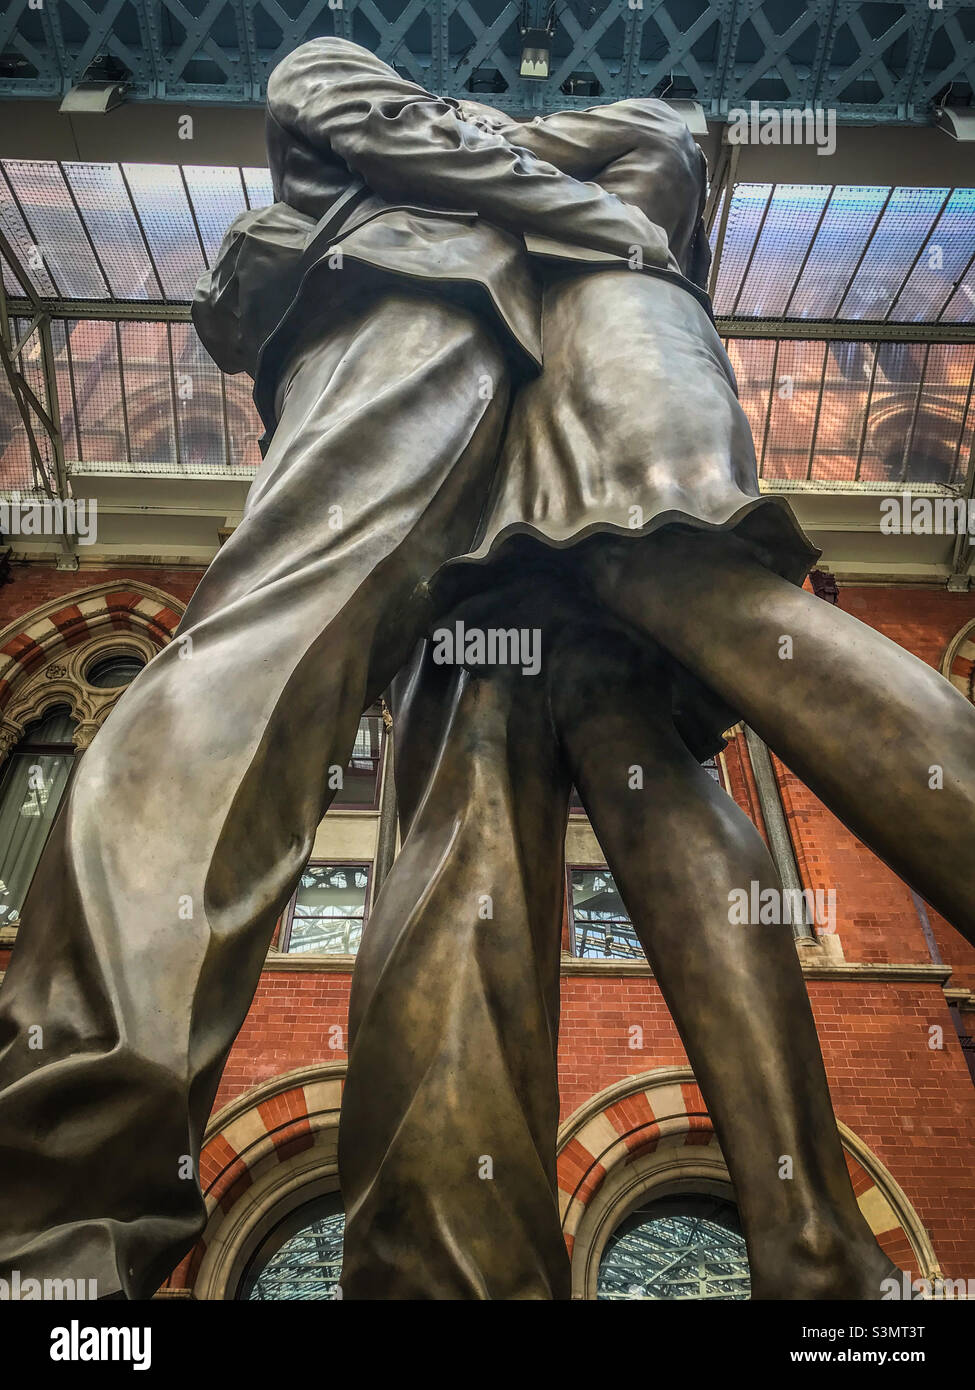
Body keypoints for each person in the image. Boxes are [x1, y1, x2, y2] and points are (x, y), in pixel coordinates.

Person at [0, 39, 679, 1301]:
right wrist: (609, 232)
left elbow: (666, 144)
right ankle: (49, 1221)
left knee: (464, 809)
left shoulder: (474, 161)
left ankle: (432, 1264)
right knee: (260, 673)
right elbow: (390, 125)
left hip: (521, 406)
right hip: (408, 316)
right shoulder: (345, 78)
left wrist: (527, 188)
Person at [339, 91, 975, 1300]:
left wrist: (424, 153)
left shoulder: (617, 148)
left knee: (727, 613)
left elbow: (569, 149)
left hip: (607, 366)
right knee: (618, 759)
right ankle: (813, 1246)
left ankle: (814, 1240)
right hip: (527, 445)